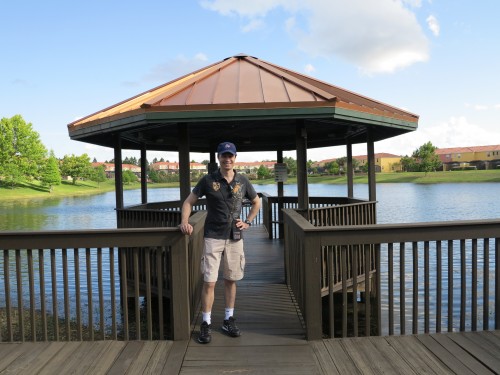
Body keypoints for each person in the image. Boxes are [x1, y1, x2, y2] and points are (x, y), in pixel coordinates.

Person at [179, 141, 261, 344]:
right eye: (223, 155)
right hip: (212, 236)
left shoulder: (243, 180)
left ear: (235, 158)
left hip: (235, 237)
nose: (227, 159)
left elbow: (257, 201)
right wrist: (184, 222)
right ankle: (205, 323)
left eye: (230, 155)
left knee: (231, 279)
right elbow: (188, 202)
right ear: (218, 158)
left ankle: (227, 319)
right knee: (209, 281)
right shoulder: (208, 180)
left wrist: (248, 221)